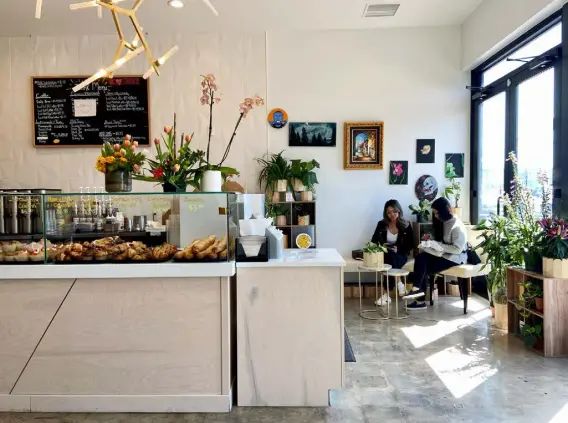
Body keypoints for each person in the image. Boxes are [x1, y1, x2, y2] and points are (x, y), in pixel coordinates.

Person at [402, 197, 467, 310]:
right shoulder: (443, 221)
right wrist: (430, 241)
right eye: (434, 213)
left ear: (444, 210)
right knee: (420, 257)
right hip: (444, 254)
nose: (436, 215)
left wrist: (438, 246)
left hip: (455, 257)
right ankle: (417, 292)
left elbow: (457, 249)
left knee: (423, 267)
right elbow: (442, 241)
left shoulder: (457, 226)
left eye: (437, 213)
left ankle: (419, 298)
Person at [371, 199, 414, 306]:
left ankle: (386, 296)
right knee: (388, 256)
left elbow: (410, 245)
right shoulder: (381, 224)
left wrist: (398, 249)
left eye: (394, 211)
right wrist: (383, 245)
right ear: (386, 213)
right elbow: (374, 241)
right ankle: (399, 282)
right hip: (386, 254)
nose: (392, 214)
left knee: (389, 260)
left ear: (399, 210)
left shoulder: (406, 225)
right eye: (389, 212)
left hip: (400, 255)